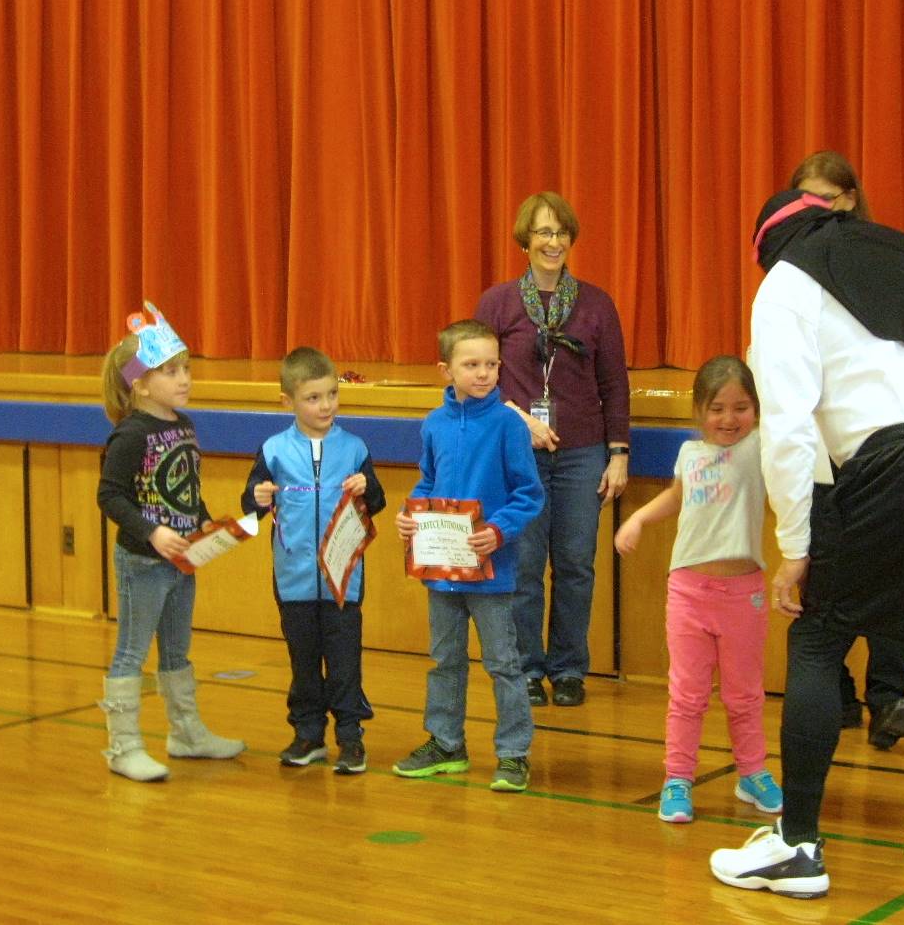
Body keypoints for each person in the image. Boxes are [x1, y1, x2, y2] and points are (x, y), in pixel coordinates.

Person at [709, 190, 904, 898]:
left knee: (818, 641)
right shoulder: (900, 252)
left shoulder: (784, 285)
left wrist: (797, 547)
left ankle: (795, 847)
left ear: (768, 245)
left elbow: (788, 429)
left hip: (898, 454)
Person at [475, 192, 631, 708]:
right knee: (523, 566)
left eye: (561, 232)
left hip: (583, 452)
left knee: (575, 564)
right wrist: (521, 420)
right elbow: (478, 378)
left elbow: (614, 384)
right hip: (519, 454)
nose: (553, 241)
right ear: (525, 240)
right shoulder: (497, 303)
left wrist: (619, 453)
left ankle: (567, 669)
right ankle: (526, 668)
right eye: (542, 232)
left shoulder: (596, 303)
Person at [614, 356, 783, 824]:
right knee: (687, 695)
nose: (729, 419)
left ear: (756, 410)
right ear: (698, 412)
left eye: (741, 407)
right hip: (689, 592)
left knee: (744, 694)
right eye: (717, 409)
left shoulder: (758, 448)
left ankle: (752, 772)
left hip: (743, 594)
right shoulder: (690, 455)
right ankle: (678, 778)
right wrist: (638, 518)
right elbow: (678, 495)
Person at [789, 151, 904, 750]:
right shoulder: (790, 276)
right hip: (820, 458)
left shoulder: (882, 264)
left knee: (893, 580)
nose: (819, 211)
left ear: (849, 200)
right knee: (824, 588)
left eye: (828, 199)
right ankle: (838, 692)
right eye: (806, 200)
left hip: (881, 451)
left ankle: (888, 697)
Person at [392, 320, 545, 792]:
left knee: (503, 662)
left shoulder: (507, 425)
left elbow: (529, 493)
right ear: (446, 370)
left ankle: (514, 753)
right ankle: (446, 743)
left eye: (491, 364)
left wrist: (498, 531)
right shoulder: (434, 424)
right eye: (471, 365)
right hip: (442, 573)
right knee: (445, 659)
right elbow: (428, 482)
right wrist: (410, 515)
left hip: (493, 574)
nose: (483, 373)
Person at [96, 302, 246, 782]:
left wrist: (204, 525)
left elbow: (184, 489)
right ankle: (123, 747)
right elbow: (110, 496)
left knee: (177, 651)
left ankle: (186, 733)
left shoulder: (183, 426)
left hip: (182, 562)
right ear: (139, 383)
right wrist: (153, 532)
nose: (184, 379)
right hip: (144, 561)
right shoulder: (131, 434)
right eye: (171, 372)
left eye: (186, 370)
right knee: (131, 652)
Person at [241, 347, 386, 774]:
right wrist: (258, 497)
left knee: (344, 662)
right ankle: (308, 734)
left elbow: (374, 501)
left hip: (344, 578)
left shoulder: (355, 447)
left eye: (332, 395)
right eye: (313, 398)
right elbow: (251, 505)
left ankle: (350, 738)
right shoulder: (273, 450)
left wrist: (366, 488)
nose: (325, 406)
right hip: (293, 578)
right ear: (287, 401)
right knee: (302, 660)